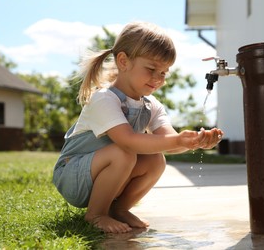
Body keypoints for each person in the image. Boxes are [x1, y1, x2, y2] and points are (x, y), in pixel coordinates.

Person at [52, 21, 224, 234]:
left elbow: (169, 142)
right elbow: (127, 140)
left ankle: (119, 209)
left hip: (102, 173)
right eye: (151, 69)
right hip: (73, 175)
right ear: (123, 61)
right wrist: (179, 140)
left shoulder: (151, 106)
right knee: (124, 153)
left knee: (155, 159)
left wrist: (193, 142)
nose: (158, 78)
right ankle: (96, 214)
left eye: (164, 72)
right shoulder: (104, 99)